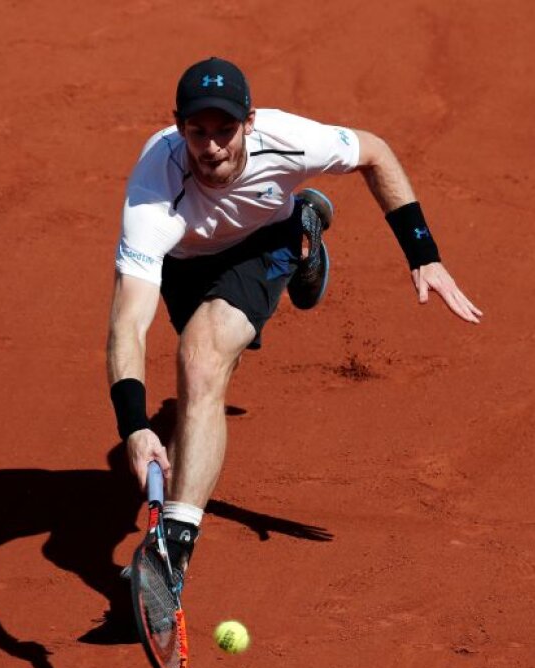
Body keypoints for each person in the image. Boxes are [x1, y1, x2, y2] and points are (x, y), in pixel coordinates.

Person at [107, 57, 482, 586]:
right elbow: (128, 324)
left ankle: (174, 549)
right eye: (197, 131)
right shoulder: (152, 193)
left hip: (260, 244)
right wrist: (135, 426)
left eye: (225, 129)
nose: (211, 145)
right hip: (184, 264)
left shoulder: (290, 139)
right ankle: (310, 238)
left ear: (250, 122)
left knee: (201, 357)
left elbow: (375, 151)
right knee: (202, 380)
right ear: (178, 125)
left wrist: (423, 253)